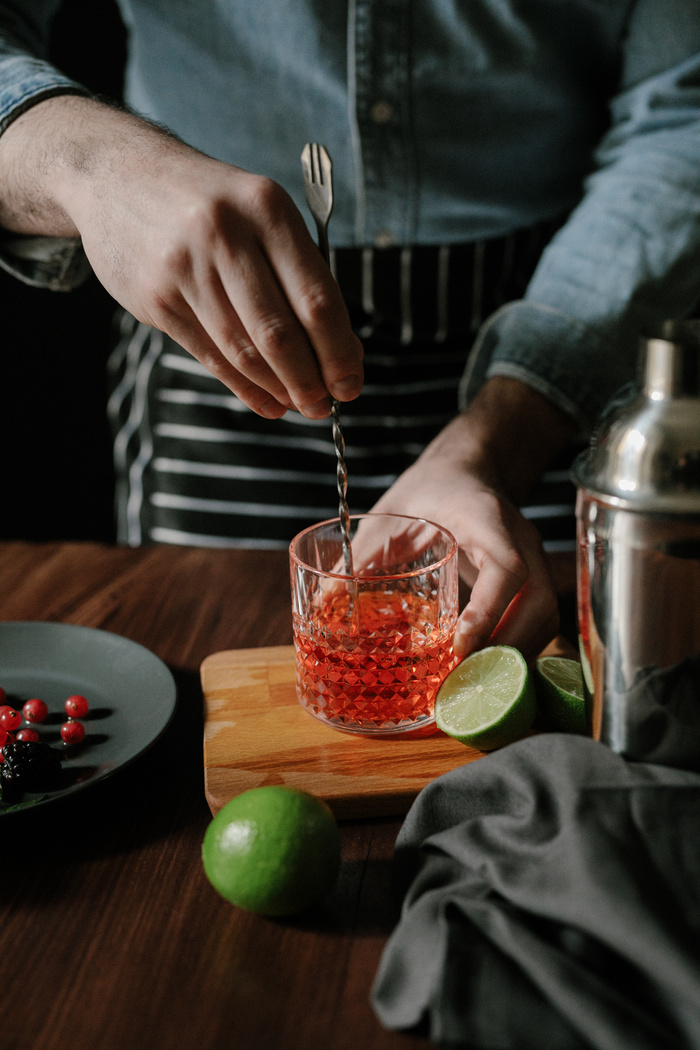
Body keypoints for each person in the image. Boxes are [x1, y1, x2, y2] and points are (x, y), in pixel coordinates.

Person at [0, 0, 699, 662]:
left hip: (568, 353)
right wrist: (92, 168)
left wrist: (502, 440)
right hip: (221, 363)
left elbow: (682, 113)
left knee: (540, 682)